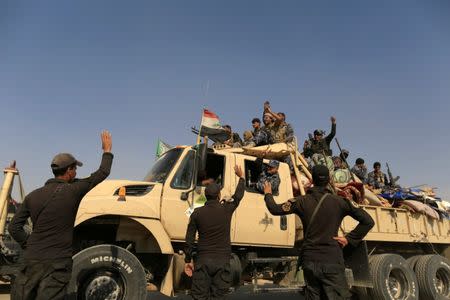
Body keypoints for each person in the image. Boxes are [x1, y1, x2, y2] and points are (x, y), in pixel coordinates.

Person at [9, 131, 113, 300]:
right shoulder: (74, 191)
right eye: (75, 169)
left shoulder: (32, 196)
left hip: (31, 260)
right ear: (69, 170)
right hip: (57, 263)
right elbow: (102, 173)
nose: (77, 173)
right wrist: (107, 150)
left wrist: (28, 244)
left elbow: (13, 228)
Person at [262, 165, 374, 300]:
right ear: (328, 180)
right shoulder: (340, 202)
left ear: (312, 180)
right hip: (331, 260)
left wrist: (268, 193)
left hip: (310, 262)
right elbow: (368, 221)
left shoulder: (300, 201)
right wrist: (348, 239)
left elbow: (275, 209)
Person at [184, 166, 245, 300]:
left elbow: (189, 238)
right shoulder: (226, 209)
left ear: (205, 196)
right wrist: (241, 178)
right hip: (222, 262)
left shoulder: (196, 213)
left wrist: (188, 260)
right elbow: (238, 196)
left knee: (199, 296)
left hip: (203, 261)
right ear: (218, 196)